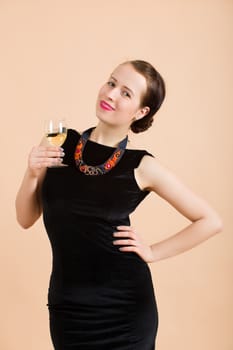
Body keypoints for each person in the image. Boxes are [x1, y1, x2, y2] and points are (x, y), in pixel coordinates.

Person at [15, 60, 222, 350]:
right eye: (111, 83)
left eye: (126, 93)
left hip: (124, 309)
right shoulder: (58, 139)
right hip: (68, 306)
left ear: (141, 112)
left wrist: (152, 252)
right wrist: (32, 173)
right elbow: (25, 219)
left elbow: (210, 220)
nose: (111, 94)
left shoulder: (142, 165)